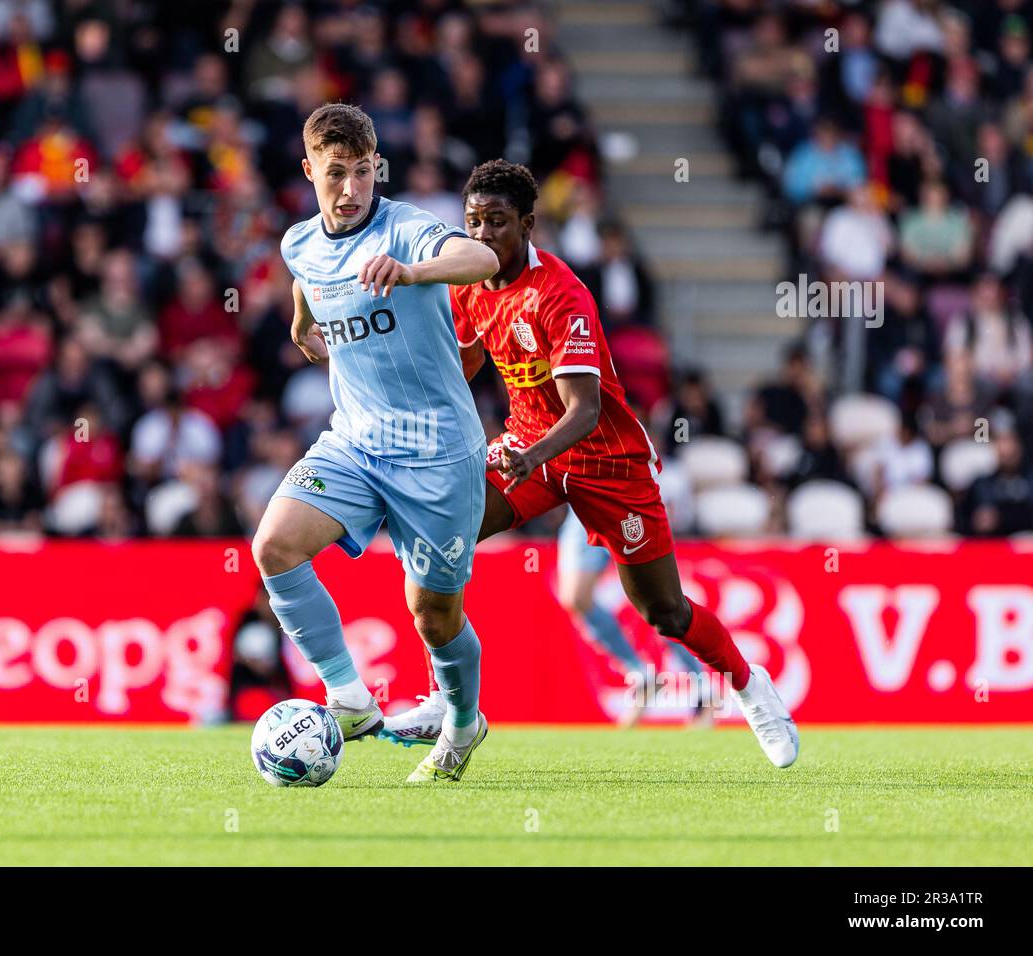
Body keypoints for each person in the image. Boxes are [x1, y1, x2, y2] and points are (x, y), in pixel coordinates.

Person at [381, 160, 800, 768]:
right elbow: (463, 371)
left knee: (665, 611)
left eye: (497, 223)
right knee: (438, 537)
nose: (483, 236)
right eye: (472, 223)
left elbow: (584, 409)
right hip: (531, 452)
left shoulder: (560, 295)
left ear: (527, 224)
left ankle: (748, 686)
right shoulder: (469, 287)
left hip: (606, 461)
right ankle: (445, 702)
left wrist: (529, 454)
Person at [252, 103, 499, 783]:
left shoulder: (409, 229)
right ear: (310, 171)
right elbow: (309, 289)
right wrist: (305, 329)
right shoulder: (298, 243)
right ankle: (350, 698)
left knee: (433, 615)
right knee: (273, 545)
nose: (353, 187)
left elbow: (481, 257)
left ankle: (462, 720)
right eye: (337, 173)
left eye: (363, 171)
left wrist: (414, 272)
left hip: (439, 453)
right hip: (356, 444)